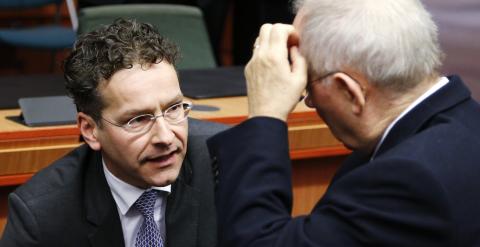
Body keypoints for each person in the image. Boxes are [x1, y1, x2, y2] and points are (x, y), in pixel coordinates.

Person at [207, 0, 480, 246]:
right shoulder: (467, 122)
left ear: (349, 91)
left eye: (307, 84)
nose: (309, 102)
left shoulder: (409, 179)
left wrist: (265, 113)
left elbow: (258, 241)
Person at [1, 18, 226, 247]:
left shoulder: (231, 162)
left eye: (173, 109)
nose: (166, 137)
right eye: (138, 120)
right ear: (90, 130)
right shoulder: (42, 216)